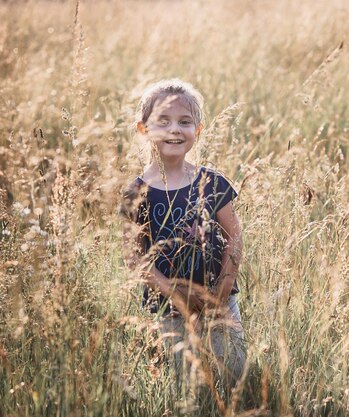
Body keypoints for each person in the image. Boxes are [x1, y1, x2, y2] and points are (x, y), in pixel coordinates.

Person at [120, 79, 246, 395]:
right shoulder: (136, 193)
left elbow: (234, 238)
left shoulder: (212, 183)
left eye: (184, 122)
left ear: (198, 130)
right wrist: (173, 293)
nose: (175, 129)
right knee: (179, 384)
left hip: (219, 303)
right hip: (166, 309)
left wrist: (221, 290)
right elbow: (134, 257)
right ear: (142, 128)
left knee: (231, 374)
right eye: (163, 121)